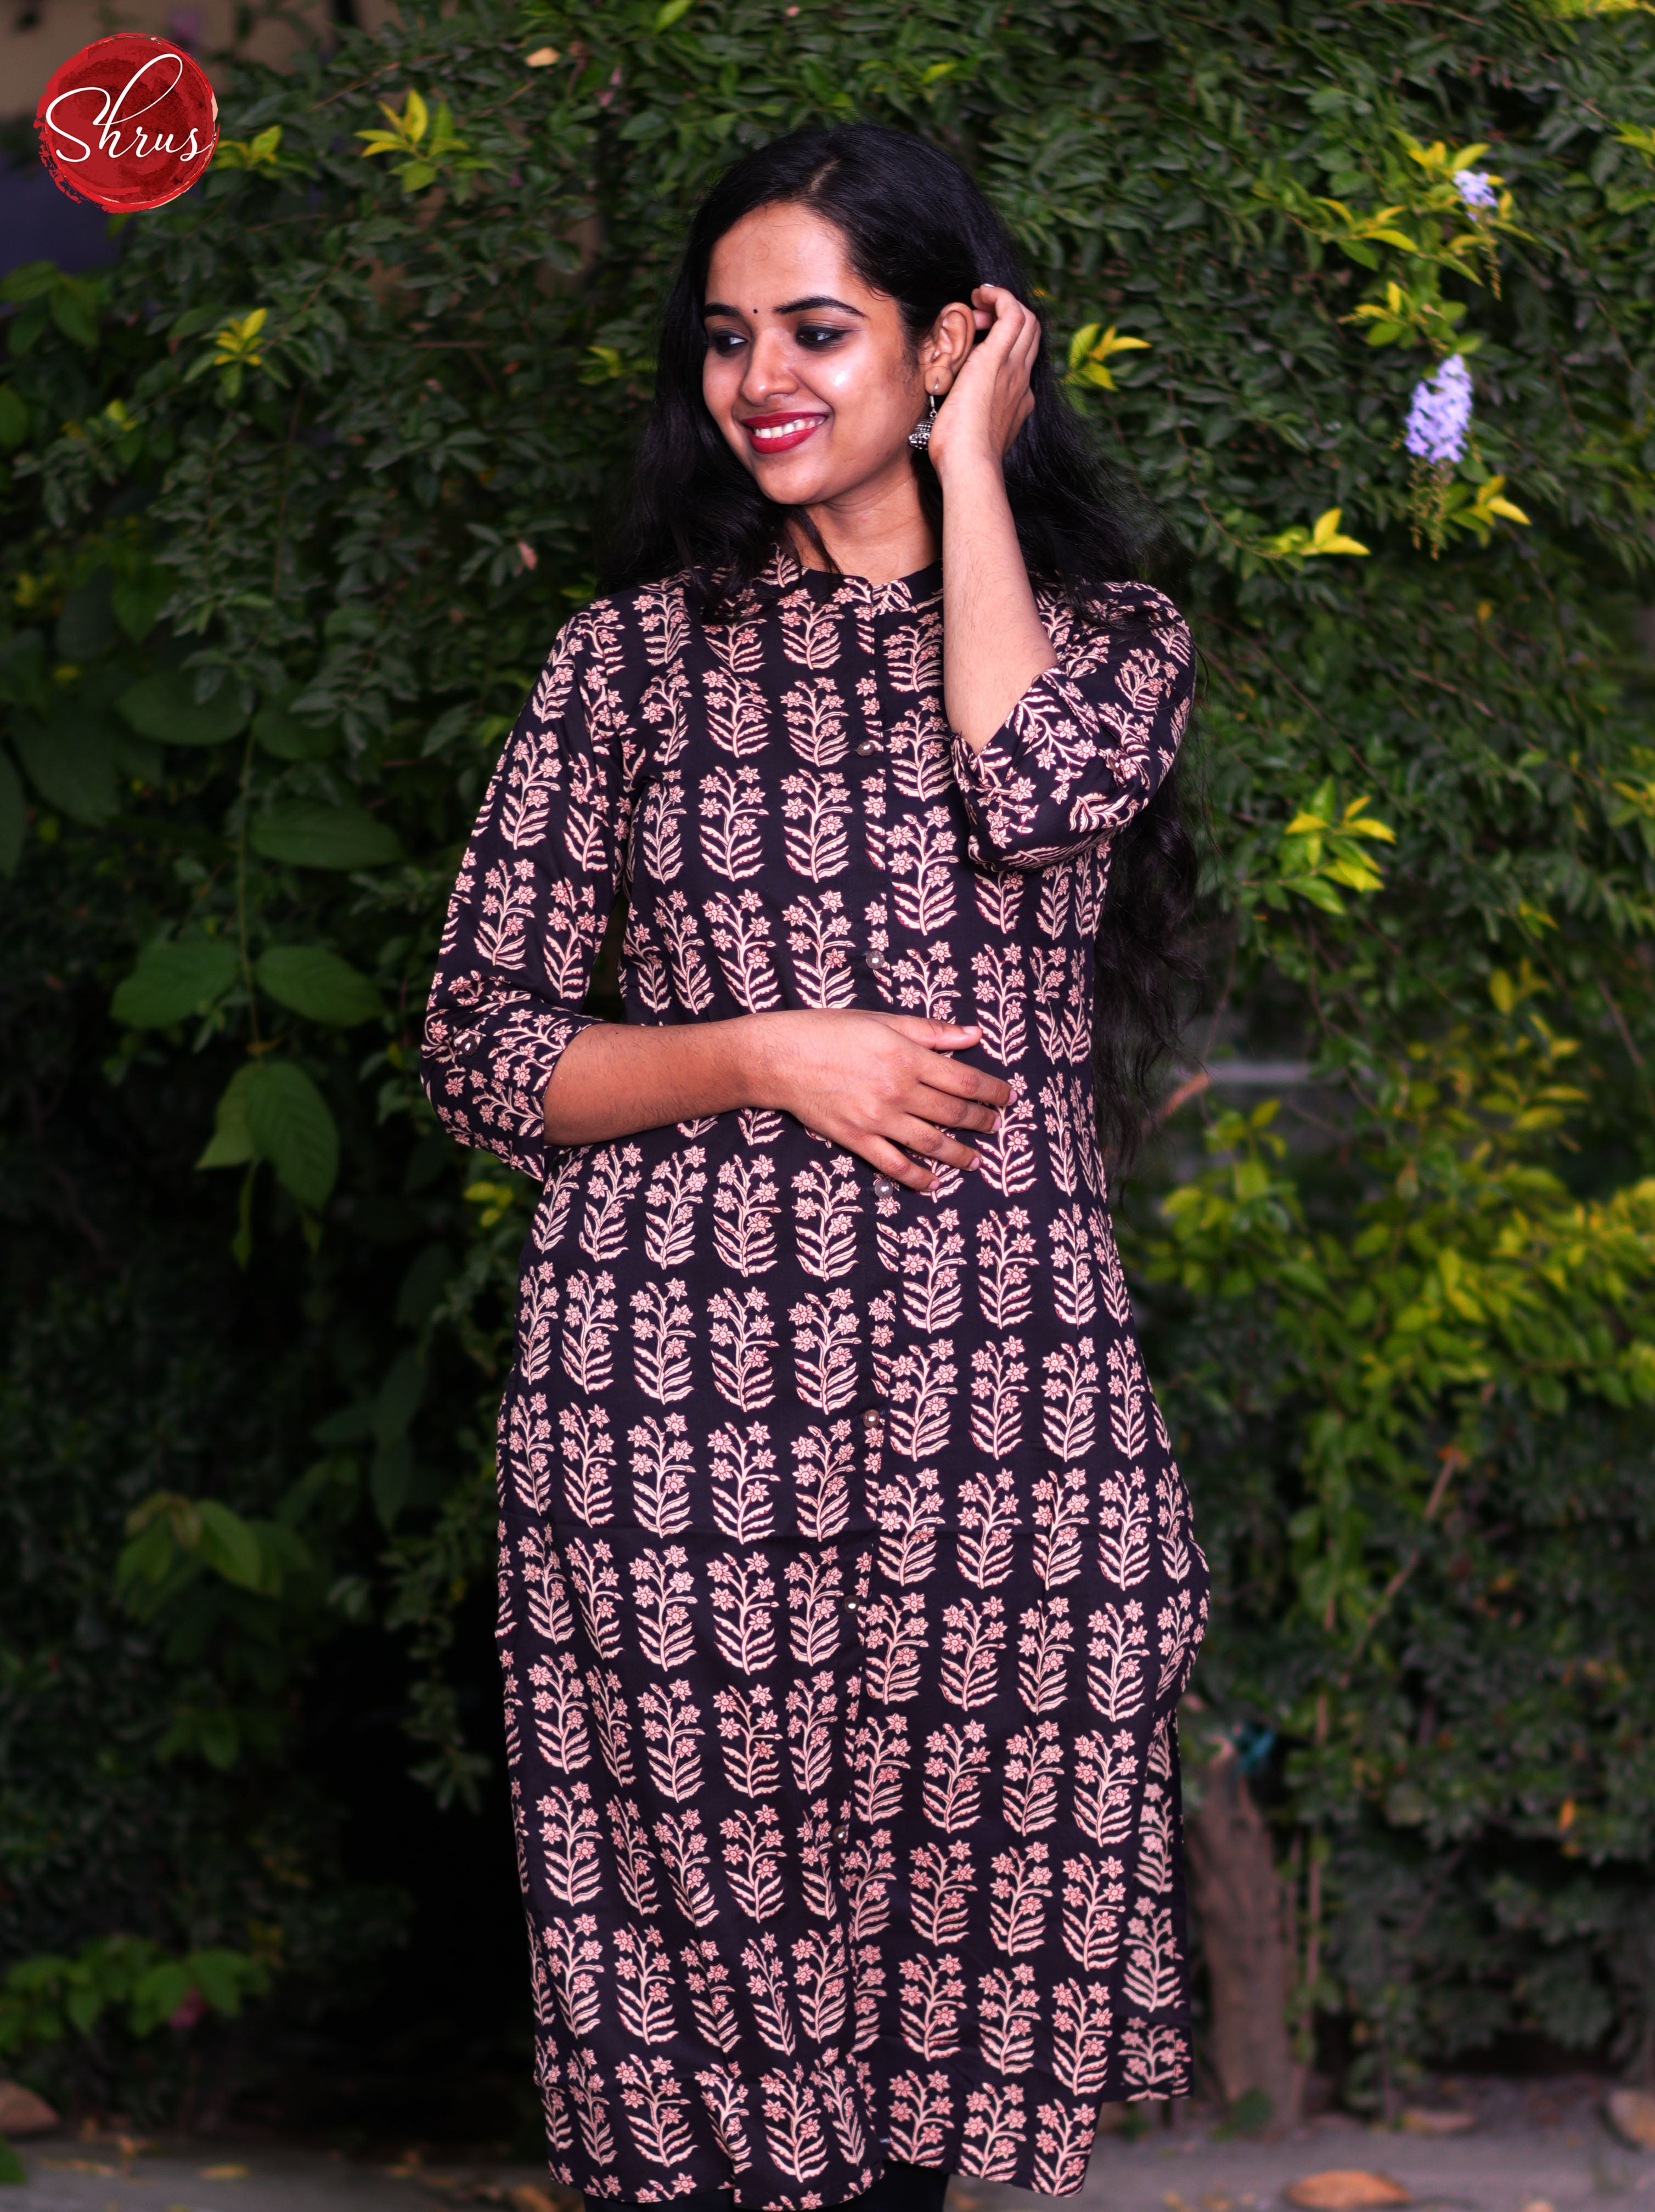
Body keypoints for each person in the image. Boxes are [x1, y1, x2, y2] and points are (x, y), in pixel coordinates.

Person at [421, 122, 1208, 2212]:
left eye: (818, 330)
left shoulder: (1114, 641)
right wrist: (770, 1050)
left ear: (955, 342)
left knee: (935, 2058)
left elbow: (1028, 789)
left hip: (995, 1421)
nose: (758, 379)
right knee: (715, 2065)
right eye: (725, 337)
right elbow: (481, 1050)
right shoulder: (626, 665)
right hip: (675, 1418)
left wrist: (971, 476)